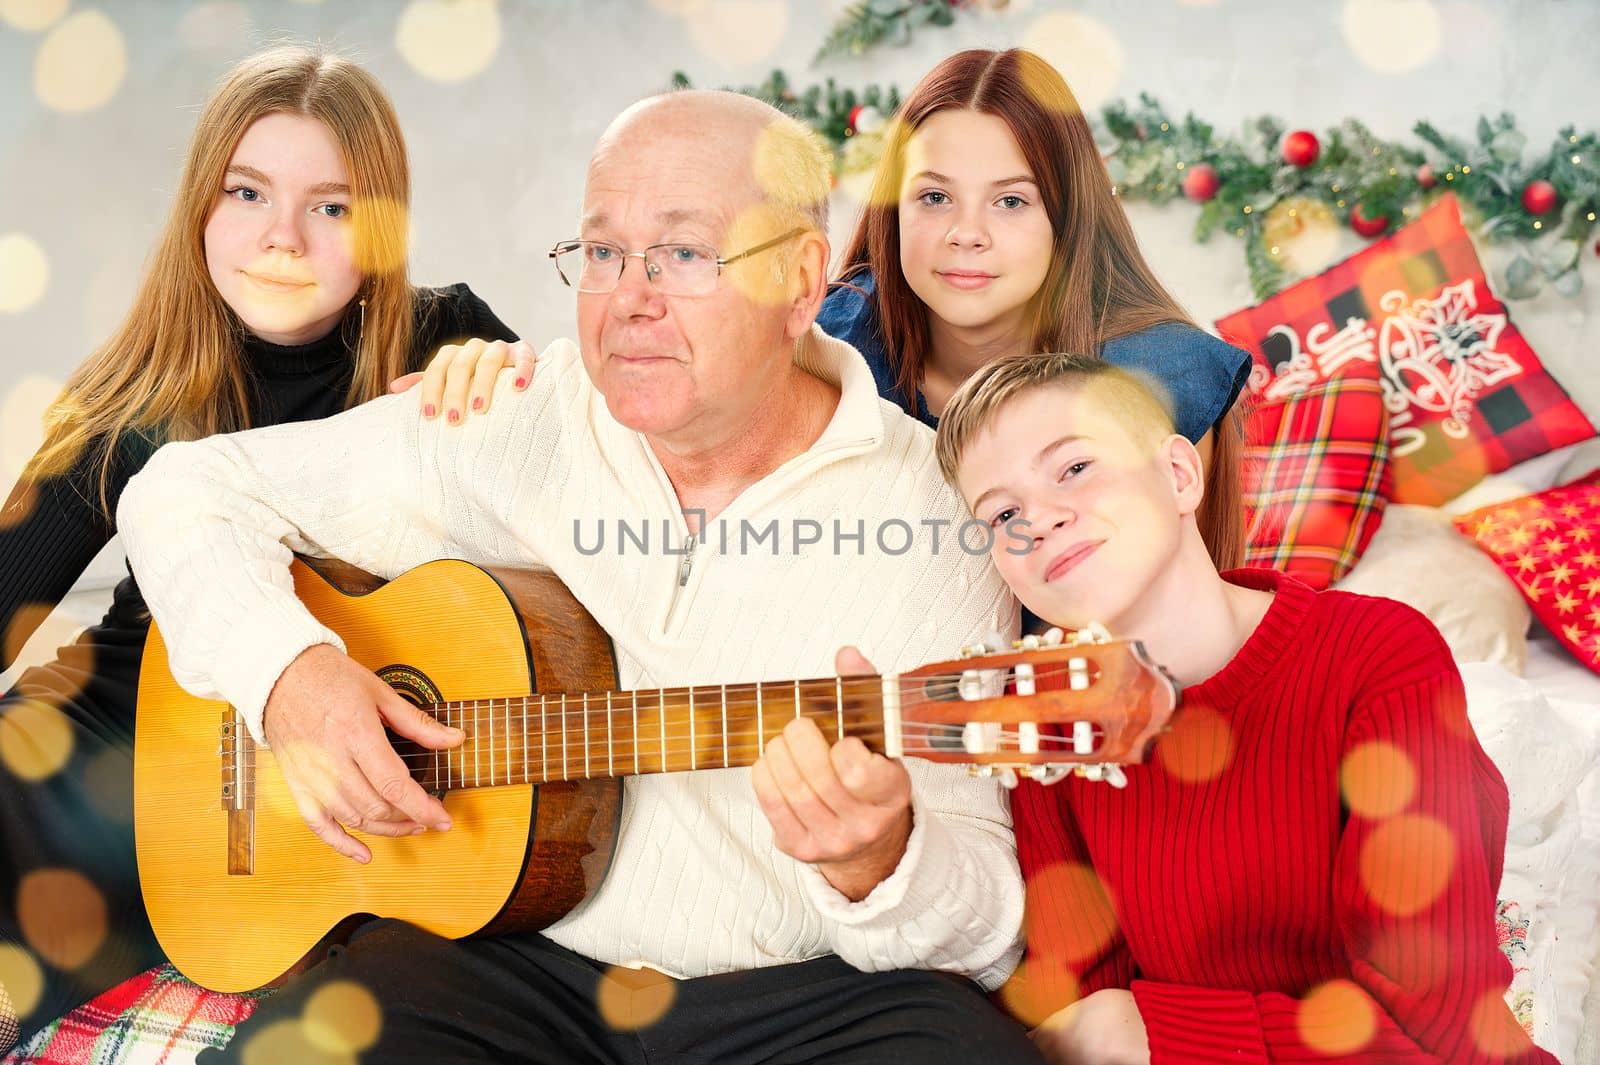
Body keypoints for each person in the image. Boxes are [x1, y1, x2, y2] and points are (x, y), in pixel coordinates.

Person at [116, 89, 1039, 1064]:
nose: (627, 300)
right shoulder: (515, 415)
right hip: (516, 960)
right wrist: (286, 675)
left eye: (682, 255)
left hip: (796, 1002)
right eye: (601, 254)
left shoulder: (937, 512)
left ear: (800, 283)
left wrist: (879, 861)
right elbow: (183, 490)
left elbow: (984, 928)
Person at [0, 45, 525, 1048]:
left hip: (263, 805)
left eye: (329, 206)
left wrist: (522, 408)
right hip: (96, 749)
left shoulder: (450, 346)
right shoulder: (126, 401)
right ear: (202, 204)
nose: (282, 238)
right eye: (248, 192)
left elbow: (562, 575)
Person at [925, 351, 1556, 1064]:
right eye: (1003, 513)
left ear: (1178, 474)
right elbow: (1081, 1013)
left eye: (1074, 467)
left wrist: (1154, 1032)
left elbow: (1439, 1038)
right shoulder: (1047, 721)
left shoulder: (1378, 658)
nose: (1039, 519)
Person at [440, 49, 1252, 574]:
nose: (965, 235)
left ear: (1066, 216)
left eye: (1009, 201)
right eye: (933, 197)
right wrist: (512, 376)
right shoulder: (830, 327)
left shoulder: (1154, 374)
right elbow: (664, 361)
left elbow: (1173, 610)